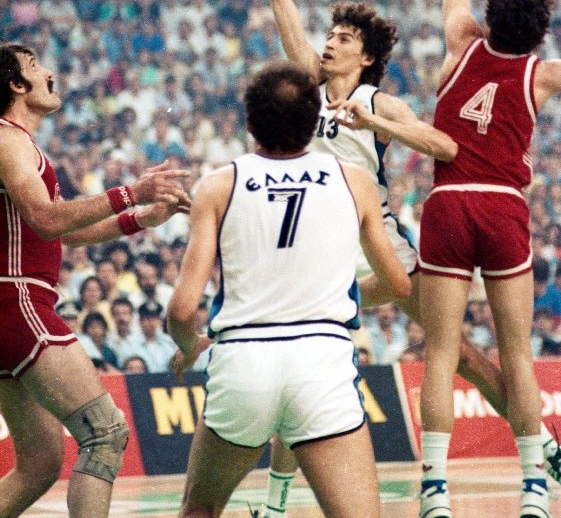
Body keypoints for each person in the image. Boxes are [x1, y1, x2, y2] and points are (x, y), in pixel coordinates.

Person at [250, 0, 561, 517]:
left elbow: (442, 142)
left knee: (459, 353)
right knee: (309, 362)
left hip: (379, 248)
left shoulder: (379, 102)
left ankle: (540, 446)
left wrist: (382, 124)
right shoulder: (307, 84)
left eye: (343, 37)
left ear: (365, 57)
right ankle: (275, 502)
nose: (329, 41)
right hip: (324, 250)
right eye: (329, 33)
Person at [167, 61, 412, 518]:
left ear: (249, 121)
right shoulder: (354, 181)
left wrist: (189, 346)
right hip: (322, 360)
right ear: (313, 120)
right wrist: (332, 293)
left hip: (243, 360)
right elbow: (398, 283)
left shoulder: (217, 186)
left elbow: (181, 311)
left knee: (200, 509)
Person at [417, 0, 561, 518]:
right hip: (502, 207)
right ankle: (533, 488)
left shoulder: (460, 42)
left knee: (440, 353)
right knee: (517, 356)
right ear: (538, 32)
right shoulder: (542, 74)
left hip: (447, 203)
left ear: (490, 19)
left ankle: (433, 491)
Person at [0, 42, 190, 518]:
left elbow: (67, 231)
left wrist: (141, 217)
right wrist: (130, 192)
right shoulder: (8, 139)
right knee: (106, 433)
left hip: (10, 309)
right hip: (17, 300)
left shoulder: (17, 143)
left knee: (40, 464)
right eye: (34, 65)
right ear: (16, 85)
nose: (49, 72)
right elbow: (48, 219)